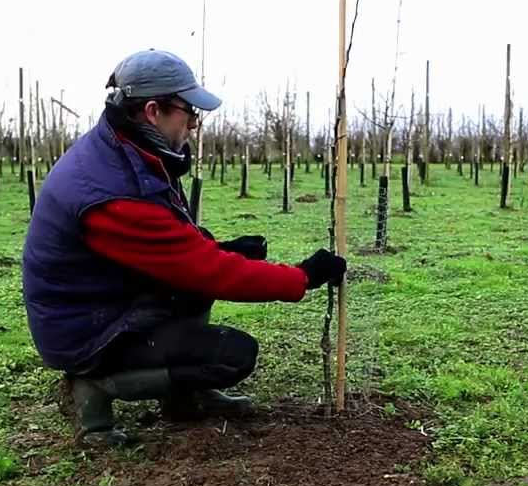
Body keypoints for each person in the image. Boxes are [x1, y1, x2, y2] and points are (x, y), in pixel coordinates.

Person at [22, 49, 347, 447]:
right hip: (87, 332)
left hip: (106, 300)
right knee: (232, 354)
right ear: (153, 110)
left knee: (196, 290)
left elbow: (173, 244)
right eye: (188, 111)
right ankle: (93, 384)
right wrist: (301, 277)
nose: (195, 122)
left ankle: (183, 399)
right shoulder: (112, 191)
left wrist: (225, 247)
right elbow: (202, 267)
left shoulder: (131, 151)